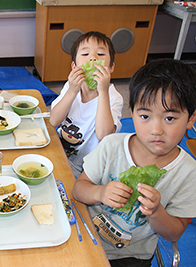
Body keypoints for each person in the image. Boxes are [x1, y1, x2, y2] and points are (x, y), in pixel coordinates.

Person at [72, 59, 196, 267]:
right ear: (132, 113)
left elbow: (174, 232)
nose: (156, 130)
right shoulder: (112, 145)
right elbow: (79, 189)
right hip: (85, 237)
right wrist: (100, 193)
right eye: (145, 116)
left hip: (130, 255)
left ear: (191, 119)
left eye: (170, 118)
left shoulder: (188, 172)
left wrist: (157, 212)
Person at [50, 31, 123, 178]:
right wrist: (71, 91)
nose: (93, 58)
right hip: (61, 151)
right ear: (74, 66)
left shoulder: (114, 97)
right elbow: (54, 121)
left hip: (88, 165)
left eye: (100, 55)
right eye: (85, 54)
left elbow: (104, 134)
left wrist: (103, 92)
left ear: (111, 67)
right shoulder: (71, 87)